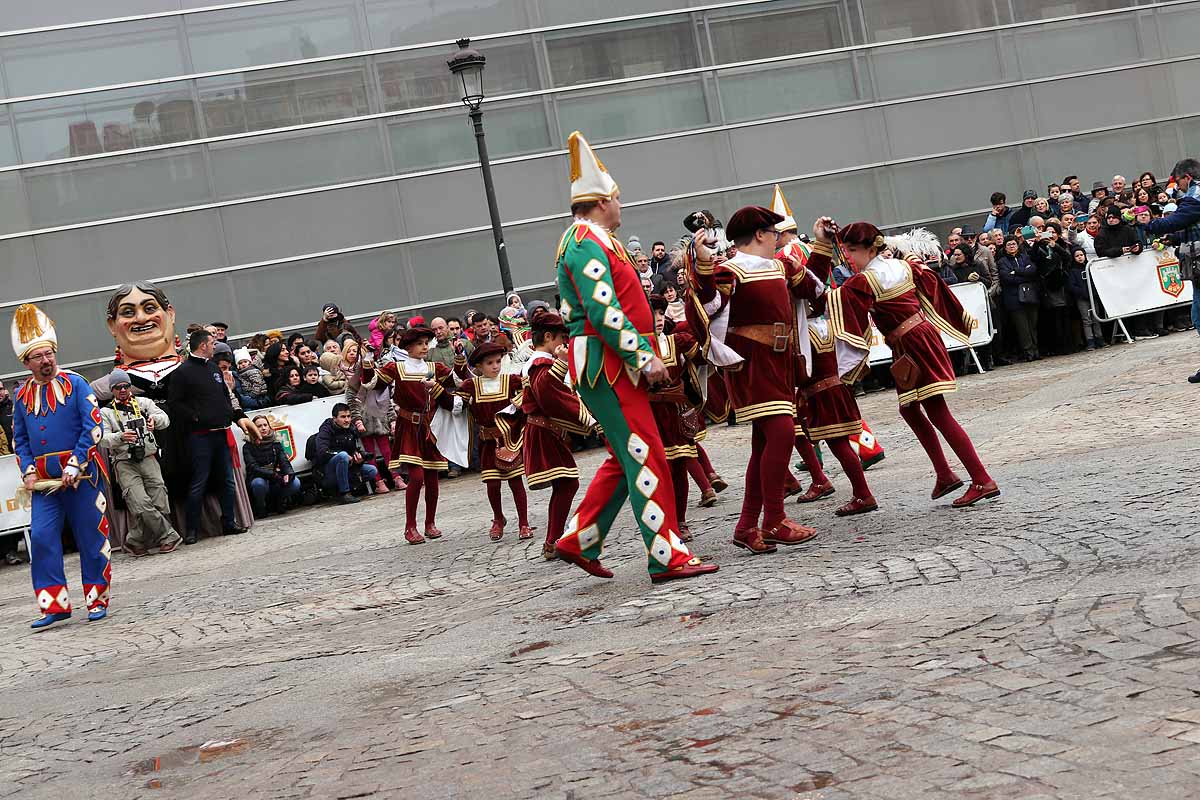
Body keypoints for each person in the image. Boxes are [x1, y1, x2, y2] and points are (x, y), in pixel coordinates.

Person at [550, 132, 717, 583]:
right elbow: (604, 308)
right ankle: (665, 555)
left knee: (628, 456)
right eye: (618, 199)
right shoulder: (585, 239)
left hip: (609, 362)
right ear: (603, 200)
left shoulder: (595, 238)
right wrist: (642, 354)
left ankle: (579, 539)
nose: (622, 206)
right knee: (646, 453)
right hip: (608, 363)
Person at [688, 204, 833, 555]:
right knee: (783, 433)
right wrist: (703, 266)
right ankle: (774, 520)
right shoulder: (730, 270)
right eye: (773, 233)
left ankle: (747, 526)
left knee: (763, 445)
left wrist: (823, 246)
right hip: (751, 361)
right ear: (759, 234)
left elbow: (815, 290)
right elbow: (706, 306)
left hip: (782, 360)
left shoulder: (781, 265)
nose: (778, 238)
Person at [827, 223, 1000, 508]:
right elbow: (934, 287)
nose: (848, 257)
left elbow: (838, 303)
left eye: (853, 251)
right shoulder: (902, 266)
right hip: (917, 339)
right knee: (909, 409)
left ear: (872, 249)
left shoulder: (866, 280)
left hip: (912, 344)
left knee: (938, 412)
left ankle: (981, 479)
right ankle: (945, 474)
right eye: (846, 251)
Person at [10, 304, 113, 628]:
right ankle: (54, 604)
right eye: (38, 356)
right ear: (27, 362)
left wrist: (74, 464)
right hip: (44, 484)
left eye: (48, 354)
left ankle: (97, 599)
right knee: (41, 538)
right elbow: (21, 439)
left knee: (91, 538)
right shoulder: (22, 395)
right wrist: (27, 470)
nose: (46, 360)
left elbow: (92, 427)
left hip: (82, 477)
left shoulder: (77, 384)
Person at [496, 308, 596, 560]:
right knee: (568, 482)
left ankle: (553, 541)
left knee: (565, 483)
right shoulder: (541, 361)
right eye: (562, 338)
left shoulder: (535, 360)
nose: (564, 343)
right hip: (543, 430)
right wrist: (590, 420)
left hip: (545, 429)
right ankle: (553, 541)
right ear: (549, 336)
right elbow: (548, 393)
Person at [373, 326, 464, 544]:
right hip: (408, 426)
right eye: (420, 343)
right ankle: (410, 526)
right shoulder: (397, 368)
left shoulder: (435, 367)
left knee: (433, 479)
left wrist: (460, 356)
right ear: (408, 346)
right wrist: (367, 358)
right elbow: (373, 384)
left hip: (430, 427)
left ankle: (430, 523)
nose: (425, 347)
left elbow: (458, 381)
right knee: (416, 476)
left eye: (426, 343)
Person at [167, 329, 258, 544]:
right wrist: (196, 417)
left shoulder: (214, 369)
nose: (215, 346)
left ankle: (229, 522)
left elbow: (226, 397)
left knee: (227, 481)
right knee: (199, 482)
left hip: (221, 433)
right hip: (200, 437)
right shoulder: (182, 372)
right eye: (212, 343)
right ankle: (192, 529)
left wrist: (236, 417)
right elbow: (175, 404)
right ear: (202, 345)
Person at [99, 368, 181, 557]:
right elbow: (101, 437)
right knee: (140, 502)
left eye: (126, 386)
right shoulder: (105, 412)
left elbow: (165, 419)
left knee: (159, 499)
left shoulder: (144, 403)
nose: (122, 390)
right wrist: (120, 437)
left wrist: (154, 421)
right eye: (118, 387)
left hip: (148, 456)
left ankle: (134, 540)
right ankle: (169, 536)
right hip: (124, 461)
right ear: (112, 390)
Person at [455, 342, 530, 541]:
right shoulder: (471, 386)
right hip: (487, 442)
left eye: (498, 361)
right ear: (479, 366)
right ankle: (498, 518)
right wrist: (435, 390)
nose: (495, 366)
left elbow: (530, 390)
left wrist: (521, 401)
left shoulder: (512, 381)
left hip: (509, 440)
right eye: (490, 363)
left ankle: (524, 522)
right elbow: (455, 405)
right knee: (492, 484)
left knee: (516, 482)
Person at [1137, 157, 1200, 378]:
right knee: (1197, 314)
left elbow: (1177, 220)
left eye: (1178, 181)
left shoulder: (1195, 196)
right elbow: (1191, 226)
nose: (1178, 186)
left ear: (1187, 177)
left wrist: (1147, 224)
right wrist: (1172, 239)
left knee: (1198, 315)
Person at [314, 403, 378, 504]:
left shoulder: (351, 429)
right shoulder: (326, 429)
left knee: (372, 470)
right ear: (334, 418)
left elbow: (353, 450)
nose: (347, 420)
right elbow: (322, 452)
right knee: (342, 456)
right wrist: (342, 455)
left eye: (349, 416)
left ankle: (351, 489)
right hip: (327, 472)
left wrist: (359, 460)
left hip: (347, 467)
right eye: (343, 417)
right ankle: (344, 493)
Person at [243, 415, 301, 517]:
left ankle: (280, 501)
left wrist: (289, 473)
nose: (263, 428)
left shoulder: (276, 442)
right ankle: (261, 507)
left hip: (274, 479)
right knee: (258, 483)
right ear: (253, 429)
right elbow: (253, 467)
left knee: (295, 482)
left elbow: (284, 461)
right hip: (258, 478)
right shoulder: (248, 446)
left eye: (265, 425)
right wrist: (272, 475)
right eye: (259, 426)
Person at [1030, 222, 1073, 355]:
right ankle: (1054, 347)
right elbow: (1033, 259)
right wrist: (1037, 242)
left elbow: (1068, 258)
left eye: (1053, 232)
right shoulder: (1040, 246)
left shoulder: (1062, 244)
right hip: (1047, 285)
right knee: (1051, 318)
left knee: (1064, 316)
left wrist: (1056, 247)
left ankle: (1066, 345)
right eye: (1048, 232)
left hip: (1061, 283)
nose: (1051, 235)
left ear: (1058, 234)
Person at [997, 234, 1041, 361]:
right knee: (1023, 328)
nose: (1011, 246)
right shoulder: (1002, 262)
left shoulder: (1025, 257)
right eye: (1009, 244)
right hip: (1014, 298)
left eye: (1014, 244)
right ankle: (1028, 352)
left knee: (1033, 324)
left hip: (1030, 295)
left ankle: (1035, 349)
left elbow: (1032, 271)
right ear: (1005, 247)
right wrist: (1023, 273)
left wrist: (1016, 271)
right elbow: (1007, 278)